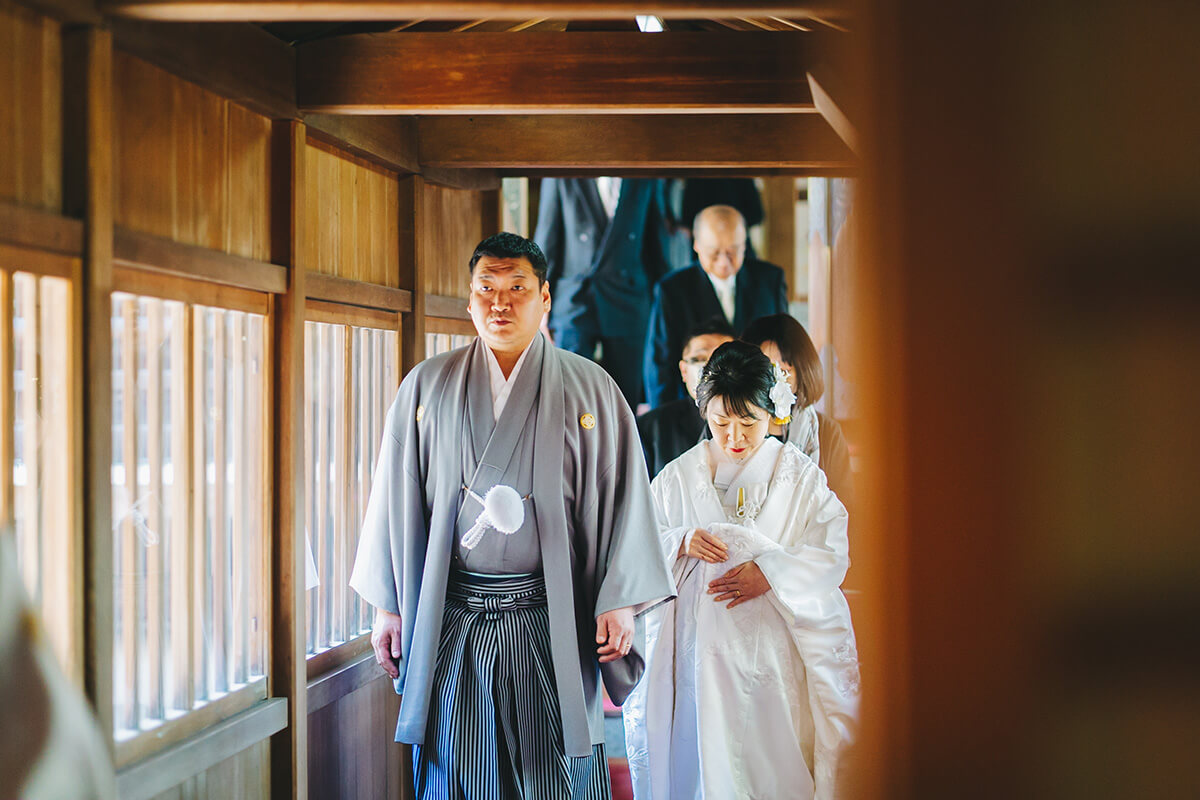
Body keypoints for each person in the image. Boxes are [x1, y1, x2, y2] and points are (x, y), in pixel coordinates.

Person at [349, 232, 675, 800]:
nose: (500, 303)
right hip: (456, 617)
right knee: (458, 767)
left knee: (556, 774)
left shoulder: (591, 388)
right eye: (487, 289)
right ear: (469, 298)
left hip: (555, 617)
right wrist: (387, 605)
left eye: (517, 288)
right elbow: (394, 501)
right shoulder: (428, 386)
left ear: (546, 298)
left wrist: (620, 599)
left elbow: (625, 497)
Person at [624, 342, 859, 800]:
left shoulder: (801, 477)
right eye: (720, 422)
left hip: (774, 652)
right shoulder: (676, 477)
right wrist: (680, 542)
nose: (734, 436)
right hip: (698, 654)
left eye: (748, 422)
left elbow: (832, 549)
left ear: (772, 414)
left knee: (773, 761)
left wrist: (772, 570)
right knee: (702, 755)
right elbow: (635, 546)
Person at [533, 177, 672, 408]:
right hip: (574, 299)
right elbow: (547, 237)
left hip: (628, 299)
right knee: (568, 394)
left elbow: (656, 244)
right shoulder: (561, 173)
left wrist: (664, 305)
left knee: (624, 398)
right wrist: (539, 302)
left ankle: (620, 445)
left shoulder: (645, 175)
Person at [643, 205, 788, 409]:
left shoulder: (770, 280)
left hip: (757, 406)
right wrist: (664, 418)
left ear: (745, 245)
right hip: (694, 407)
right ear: (696, 245)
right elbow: (660, 363)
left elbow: (783, 349)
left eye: (733, 251)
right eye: (714, 252)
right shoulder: (672, 289)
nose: (723, 262)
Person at [742, 313, 855, 505]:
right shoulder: (727, 426)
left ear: (803, 372)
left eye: (784, 371)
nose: (774, 381)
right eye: (765, 371)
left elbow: (844, 507)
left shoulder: (826, 432)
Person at [636, 317, 734, 478]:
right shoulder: (649, 428)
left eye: (723, 360)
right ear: (684, 370)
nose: (712, 369)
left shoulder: (757, 424)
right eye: (700, 360)